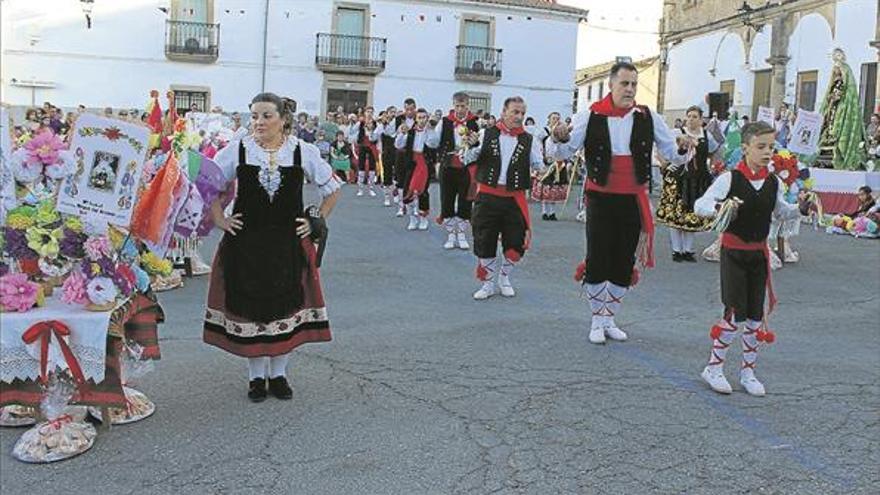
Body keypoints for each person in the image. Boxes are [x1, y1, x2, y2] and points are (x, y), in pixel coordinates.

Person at [204, 92, 341, 402]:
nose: (259, 122)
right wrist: (220, 220)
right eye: (254, 116)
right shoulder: (237, 149)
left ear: (283, 119)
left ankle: (278, 374)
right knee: (251, 308)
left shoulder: (302, 151)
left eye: (266, 115)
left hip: (287, 244)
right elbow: (209, 183)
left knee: (285, 306)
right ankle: (255, 378)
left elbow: (332, 189)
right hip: (245, 244)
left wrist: (316, 220)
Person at [548, 61, 693, 344]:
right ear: (612, 85)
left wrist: (683, 148)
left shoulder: (648, 116)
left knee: (624, 260)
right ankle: (596, 320)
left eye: (634, 84)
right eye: (624, 83)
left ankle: (609, 317)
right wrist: (557, 137)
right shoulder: (589, 116)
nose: (629, 89)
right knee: (599, 257)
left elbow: (671, 153)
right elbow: (563, 151)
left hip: (633, 198)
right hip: (601, 197)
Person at [694, 121, 800, 396]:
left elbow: (781, 212)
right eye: (761, 146)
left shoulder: (773, 182)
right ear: (745, 148)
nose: (767, 152)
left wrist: (802, 207)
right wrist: (721, 206)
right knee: (732, 311)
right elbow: (700, 205)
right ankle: (714, 367)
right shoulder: (730, 179)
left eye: (771, 147)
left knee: (755, 315)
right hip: (734, 253)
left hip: (758, 255)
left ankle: (748, 372)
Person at [463, 96, 544, 300]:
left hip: (514, 199)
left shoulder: (529, 139)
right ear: (504, 112)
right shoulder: (485, 133)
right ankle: (488, 282)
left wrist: (542, 167)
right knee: (484, 239)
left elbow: (538, 164)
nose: (519, 117)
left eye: (522, 113)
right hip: (487, 196)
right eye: (515, 112)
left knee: (515, 242)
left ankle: (505, 278)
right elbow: (467, 159)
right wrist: (471, 147)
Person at [656, 105, 720, 261]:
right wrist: (665, 163)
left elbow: (714, 151)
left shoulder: (706, 135)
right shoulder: (677, 133)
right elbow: (660, 148)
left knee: (692, 213)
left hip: (698, 178)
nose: (691, 119)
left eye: (695, 116)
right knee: (677, 213)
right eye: (689, 116)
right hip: (679, 178)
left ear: (701, 119)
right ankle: (677, 250)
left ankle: (688, 250)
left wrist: (713, 166)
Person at [435, 92, 480, 249]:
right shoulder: (445, 121)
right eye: (458, 106)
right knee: (447, 201)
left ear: (468, 106)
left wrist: (475, 143)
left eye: (463, 106)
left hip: (467, 168)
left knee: (465, 202)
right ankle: (450, 235)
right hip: (448, 167)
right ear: (453, 105)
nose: (460, 109)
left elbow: (480, 146)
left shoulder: (475, 122)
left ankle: (461, 235)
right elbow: (434, 142)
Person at [395, 108, 439, 231]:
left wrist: (430, 129)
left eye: (424, 117)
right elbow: (398, 145)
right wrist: (401, 133)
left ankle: (423, 218)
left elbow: (433, 144)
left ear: (427, 118)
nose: (422, 120)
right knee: (407, 191)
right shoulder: (410, 132)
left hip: (424, 164)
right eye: (419, 118)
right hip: (411, 163)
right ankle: (412, 219)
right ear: (416, 119)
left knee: (422, 191)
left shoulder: (430, 131)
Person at [532, 112, 569, 221]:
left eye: (558, 118)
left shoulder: (561, 132)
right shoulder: (544, 131)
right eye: (553, 118)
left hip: (558, 163)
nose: (556, 120)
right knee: (546, 187)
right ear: (549, 119)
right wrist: (541, 156)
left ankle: (552, 212)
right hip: (547, 162)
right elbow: (537, 142)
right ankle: (544, 211)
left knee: (555, 188)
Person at [386, 98, 419, 217]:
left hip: (414, 154)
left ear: (415, 108)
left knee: (413, 183)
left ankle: (414, 206)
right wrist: (399, 130)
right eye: (407, 109)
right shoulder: (398, 119)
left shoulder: (419, 118)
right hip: (400, 153)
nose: (409, 112)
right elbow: (390, 133)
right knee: (400, 181)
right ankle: (401, 207)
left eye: (411, 109)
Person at [348, 106, 381, 197]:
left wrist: (372, 132)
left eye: (371, 112)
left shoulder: (376, 123)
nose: (369, 113)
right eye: (368, 112)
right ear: (365, 113)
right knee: (361, 167)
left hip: (372, 146)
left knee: (372, 167)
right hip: (362, 145)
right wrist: (352, 122)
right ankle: (360, 189)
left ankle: (371, 188)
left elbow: (378, 135)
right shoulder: (361, 123)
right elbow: (352, 131)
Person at [378, 106, 399, 206]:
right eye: (391, 112)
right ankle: (386, 197)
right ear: (387, 113)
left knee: (398, 174)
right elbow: (375, 136)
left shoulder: (398, 123)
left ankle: (395, 193)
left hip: (396, 152)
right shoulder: (382, 124)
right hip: (386, 152)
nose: (393, 114)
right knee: (387, 175)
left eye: (394, 112)